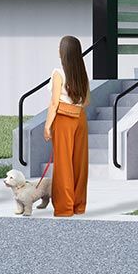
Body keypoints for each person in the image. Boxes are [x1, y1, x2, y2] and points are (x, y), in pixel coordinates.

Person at [44, 35, 91, 216]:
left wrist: (48, 125)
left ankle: (65, 208)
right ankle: (79, 206)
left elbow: (54, 102)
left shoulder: (58, 72)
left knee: (63, 164)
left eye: (59, 47)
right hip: (80, 117)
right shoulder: (81, 72)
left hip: (63, 118)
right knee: (79, 163)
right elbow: (86, 101)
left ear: (63, 52)